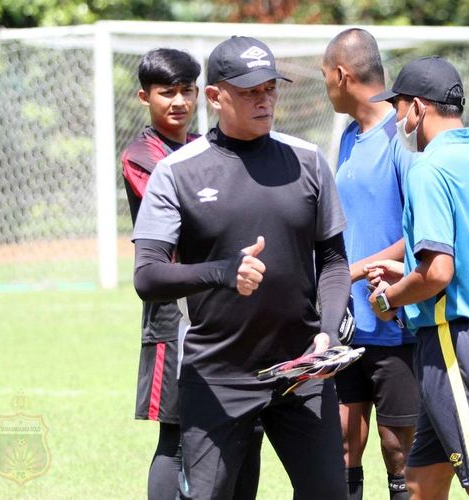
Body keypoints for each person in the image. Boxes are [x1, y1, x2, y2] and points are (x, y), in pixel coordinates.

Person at [131, 36, 350, 500]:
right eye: (250, 90)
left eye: (270, 88)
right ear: (215, 97)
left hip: (302, 370)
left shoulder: (309, 162)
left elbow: (333, 260)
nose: (264, 99)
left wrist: (327, 330)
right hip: (217, 374)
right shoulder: (177, 172)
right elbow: (147, 276)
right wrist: (222, 271)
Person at [365, 56, 469, 500]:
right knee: (422, 484)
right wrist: (409, 272)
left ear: (417, 107)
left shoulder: (429, 169)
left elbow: (437, 273)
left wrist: (389, 298)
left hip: (454, 345)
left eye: (397, 108)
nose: (396, 119)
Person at [121, 48, 262, 500]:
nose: (178, 101)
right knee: (176, 431)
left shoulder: (205, 145)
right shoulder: (144, 157)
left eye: (186, 90)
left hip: (224, 301)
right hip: (173, 310)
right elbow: (186, 218)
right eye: (167, 93)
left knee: (242, 420)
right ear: (145, 97)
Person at [321, 28, 420, 500]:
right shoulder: (346, 136)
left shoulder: (404, 138)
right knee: (342, 444)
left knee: (398, 451)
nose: (326, 86)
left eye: (325, 77)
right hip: (349, 321)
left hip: (395, 319)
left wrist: (356, 271)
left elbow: (424, 233)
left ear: (341, 75)